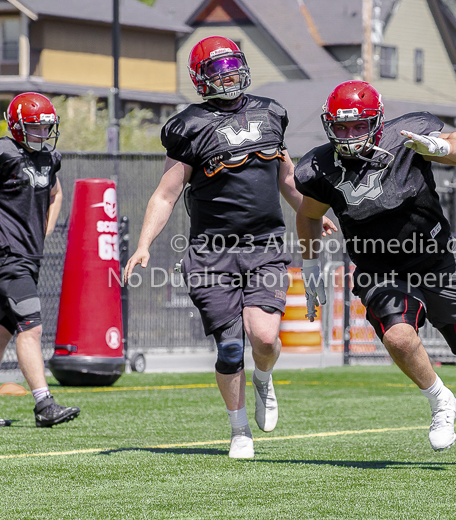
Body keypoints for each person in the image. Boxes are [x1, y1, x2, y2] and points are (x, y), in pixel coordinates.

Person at [294, 80, 456, 467]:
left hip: (436, 258)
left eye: (358, 125)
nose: (348, 135)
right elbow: (308, 215)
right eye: (340, 127)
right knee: (399, 337)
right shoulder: (318, 166)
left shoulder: (407, 135)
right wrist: (310, 266)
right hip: (378, 266)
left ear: (376, 122)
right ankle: (441, 400)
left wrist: (441, 147)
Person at [124, 36, 335, 459]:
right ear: (201, 79)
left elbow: (288, 181)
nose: (228, 76)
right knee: (231, 345)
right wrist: (144, 244)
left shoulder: (271, 112)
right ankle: (239, 430)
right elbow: (166, 195)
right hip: (210, 250)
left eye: (232, 66)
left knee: (265, 337)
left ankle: (264, 378)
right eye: (217, 70)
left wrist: (311, 211)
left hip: (265, 246)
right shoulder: (188, 125)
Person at [0, 92, 80, 427]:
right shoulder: (4, 152)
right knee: (30, 327)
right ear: (17, 127)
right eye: (34, 127)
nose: (41, 134)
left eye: (45, 128)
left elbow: (57, 192)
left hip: (29, 254)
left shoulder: (49, 158)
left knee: (3, 331)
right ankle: (43, 404)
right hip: (8, 256)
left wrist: (44, 230)